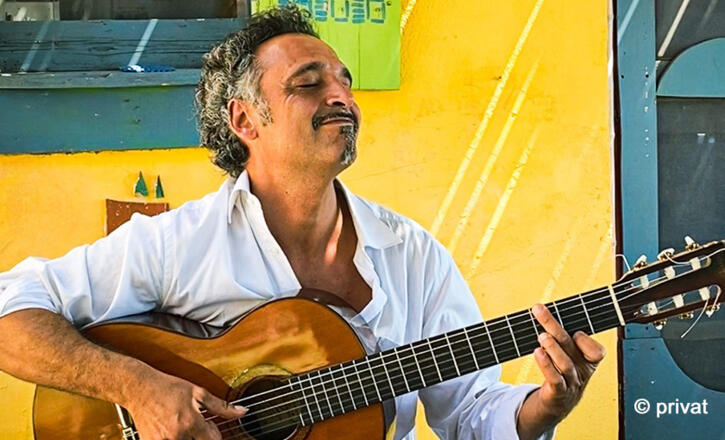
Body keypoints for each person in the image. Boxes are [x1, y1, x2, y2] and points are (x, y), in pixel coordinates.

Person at [0, 6, 605, 440]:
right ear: (245, 120)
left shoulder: (412, 254)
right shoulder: (179, 243)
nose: (340, 96)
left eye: (344, 81)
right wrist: (138, 387)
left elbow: (470, 412)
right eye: (308, 84)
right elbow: (10, 315)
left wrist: (545, 406)